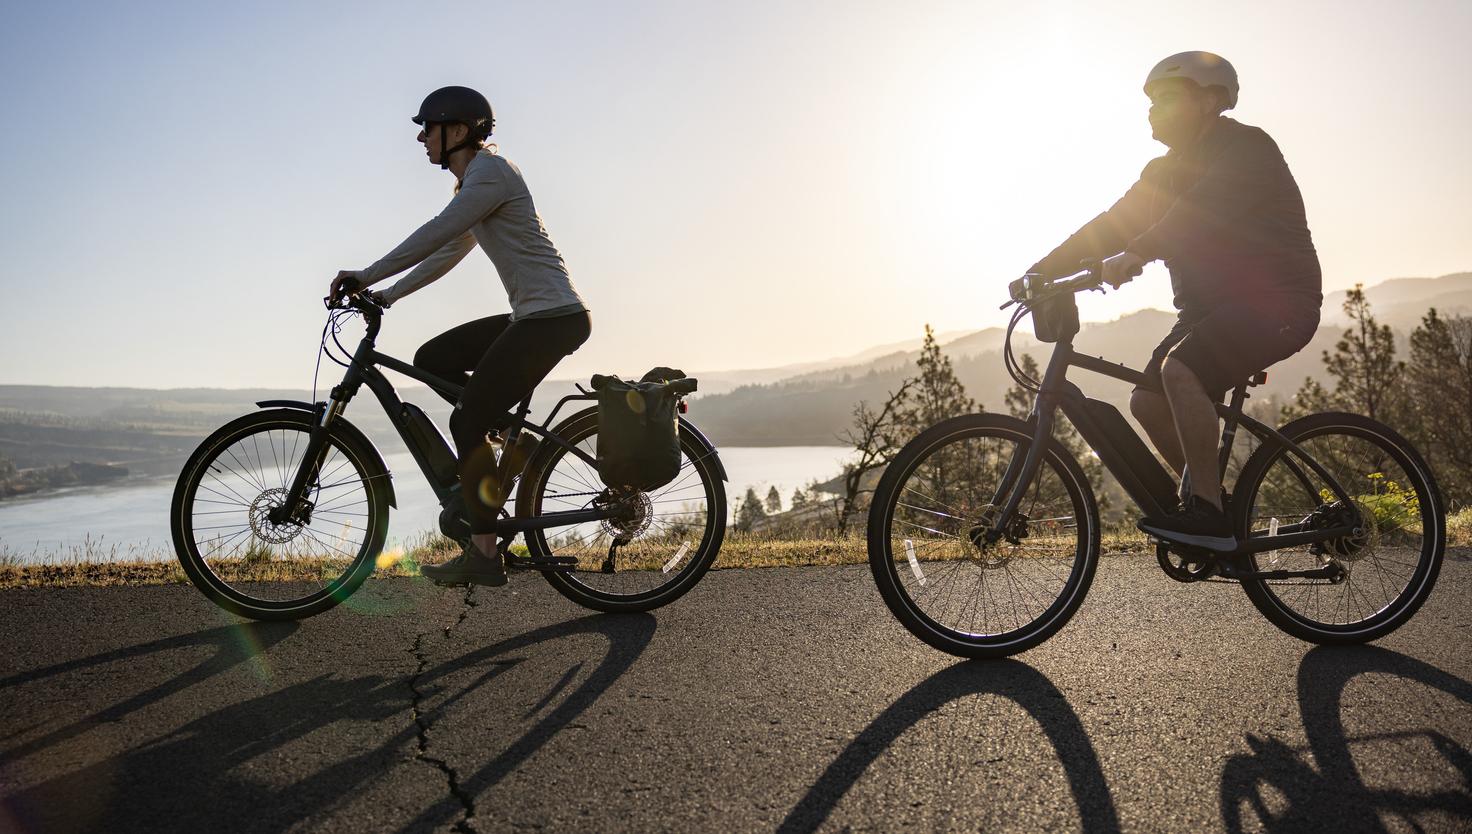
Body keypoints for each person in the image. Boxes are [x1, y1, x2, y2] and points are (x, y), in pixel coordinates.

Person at [1024, 52, 1322, 551]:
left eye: (1166, 98)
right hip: (1208, 311)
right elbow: (1111, 223)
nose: (1152, 110)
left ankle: (1207, 512)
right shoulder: (1162, 171)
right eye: (1149, 102)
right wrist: (1040, 270)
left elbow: (1198, 215)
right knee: (1146, 400)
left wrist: (1138, 251)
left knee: (1181, 371)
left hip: (1276, 303)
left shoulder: (1247, 149)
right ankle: (1217, 510)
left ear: (1209, 101)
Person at [328, 85, 590, 586]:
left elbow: (440, 231)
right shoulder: (475, 183)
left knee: (467, 421)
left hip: (552, 318)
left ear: (458, 130)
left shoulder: (490, 173)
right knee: (433, 357)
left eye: (428, 127)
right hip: (536, 316)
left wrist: (367, 274)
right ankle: (512, 455)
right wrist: (389, 295)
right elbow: (450, 250)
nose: (422, 138)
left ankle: (485, 554)